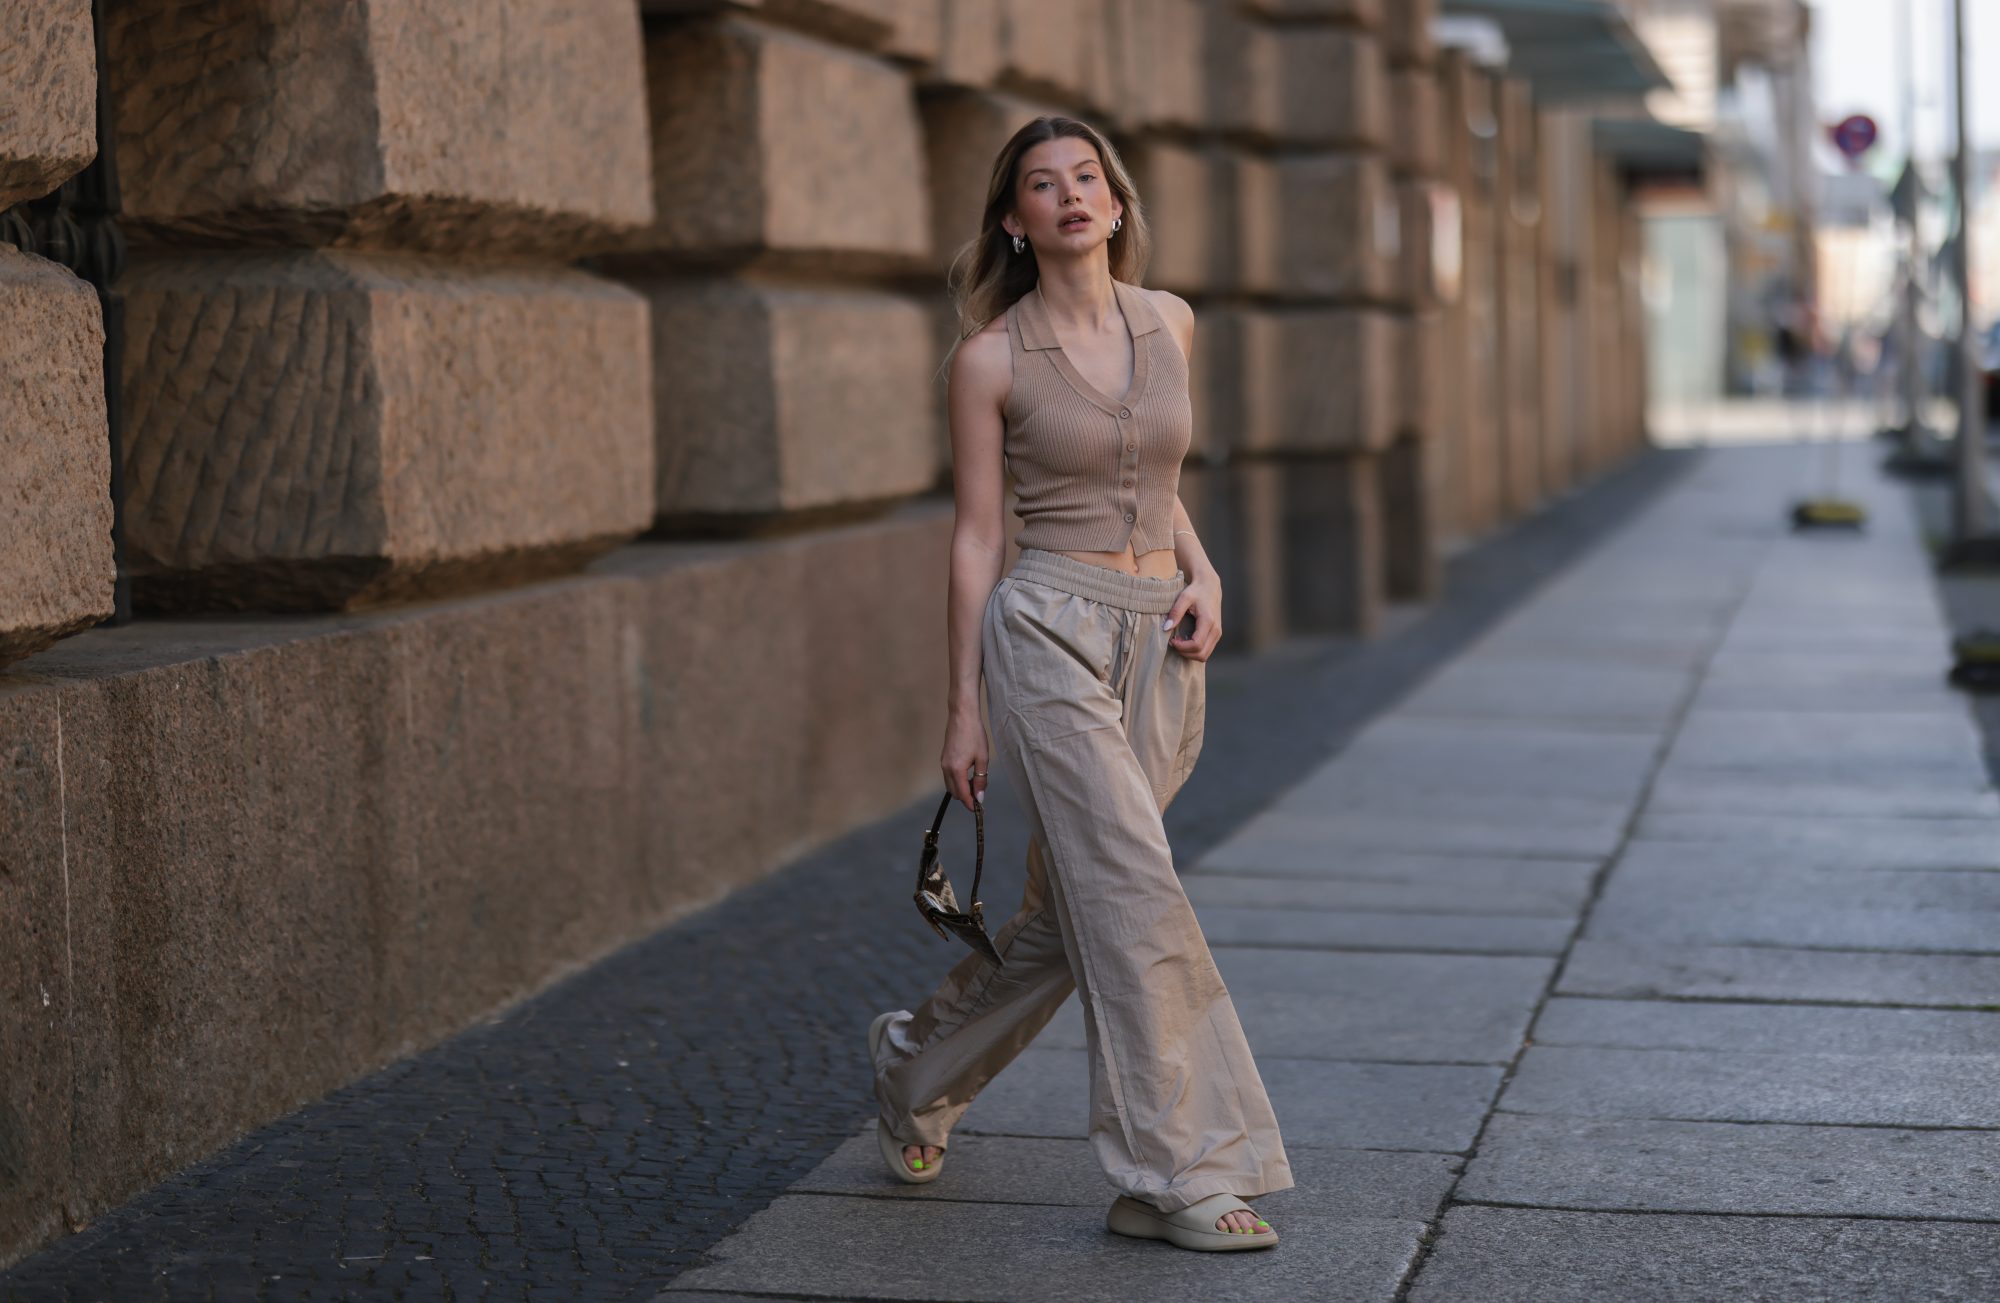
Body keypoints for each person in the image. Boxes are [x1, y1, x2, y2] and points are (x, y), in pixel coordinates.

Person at [866, 115, 1294, 1252]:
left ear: (1114, 202)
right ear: (1014, 219)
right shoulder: (991, 359)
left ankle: (914, 1066)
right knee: (1134, 885)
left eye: (1086, 177)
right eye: (1042, 184)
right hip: (1047, 624)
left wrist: (1203, 571)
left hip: (1159, 638)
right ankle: (1175, 1170)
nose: (1069, 196)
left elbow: (1152, 470)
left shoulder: (1169, 321)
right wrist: (963, 705)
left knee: (1073, 911)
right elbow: (976, 537)